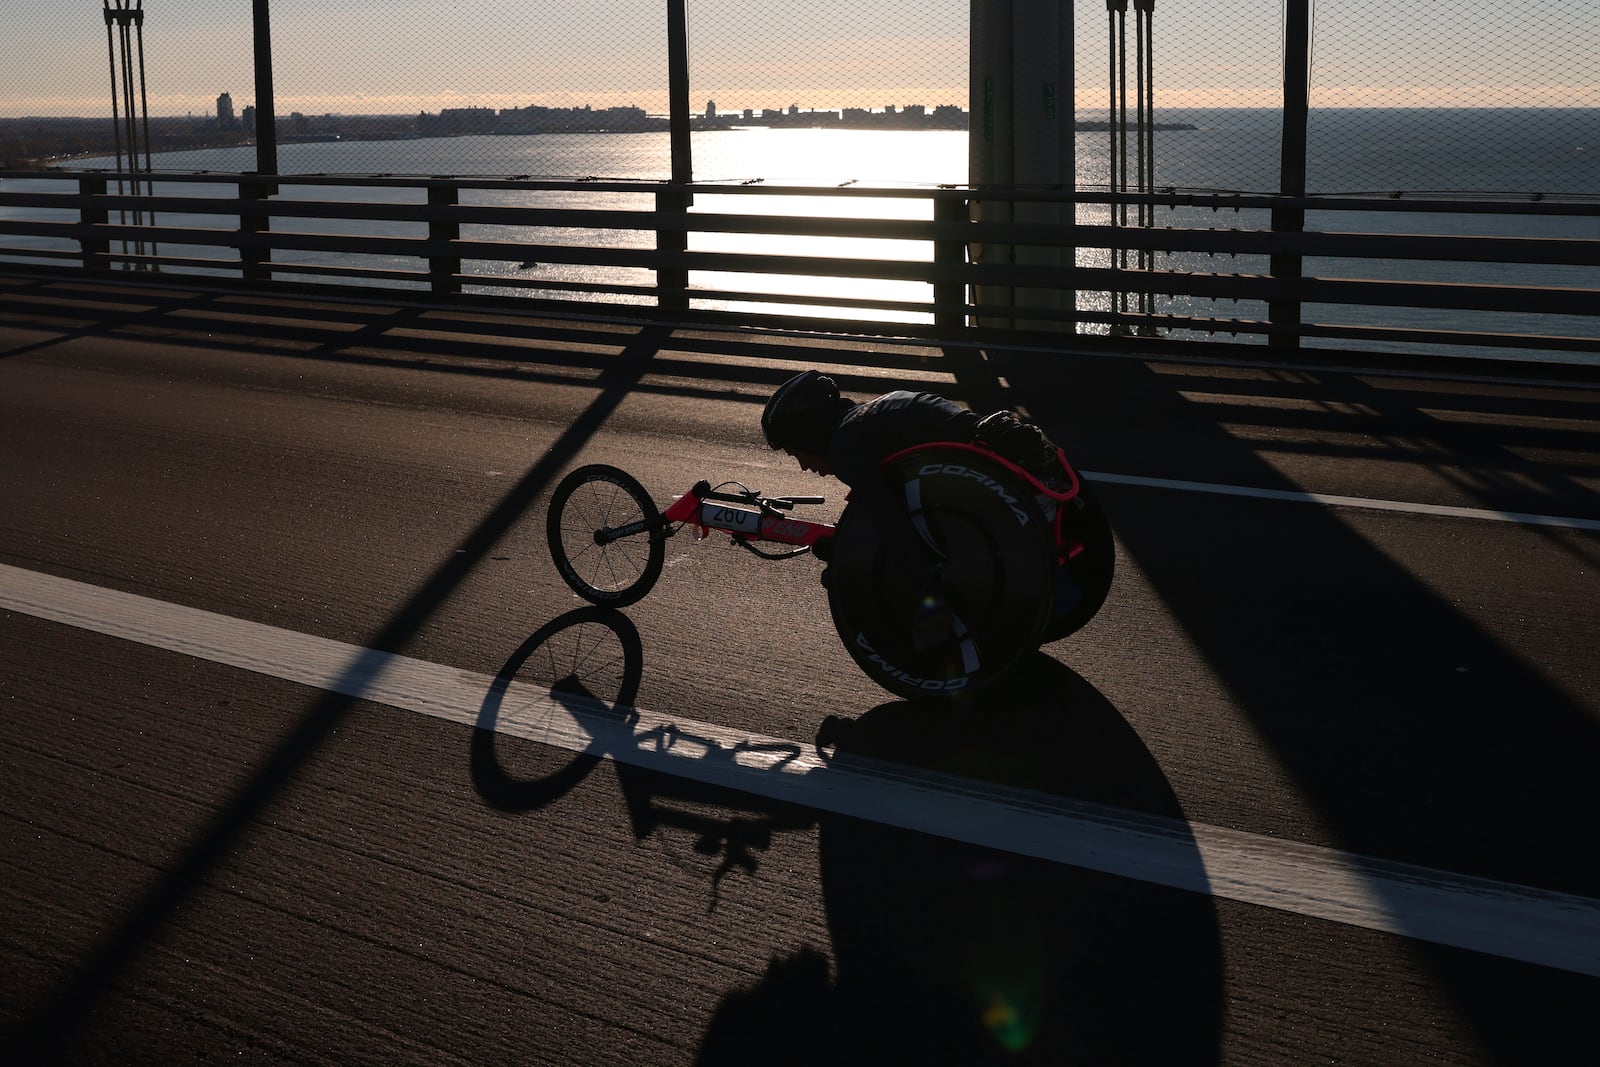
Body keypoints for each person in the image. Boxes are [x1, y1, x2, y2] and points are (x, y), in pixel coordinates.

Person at [760, 369, 1065, 648]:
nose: (802, 467)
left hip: (983, 503)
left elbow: (891, 523)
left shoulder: (845, 446)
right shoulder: (874, 412)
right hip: (1016, 475)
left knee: (885, 582)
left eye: (794, 453)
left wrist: (926, 598)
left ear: (808, 436)